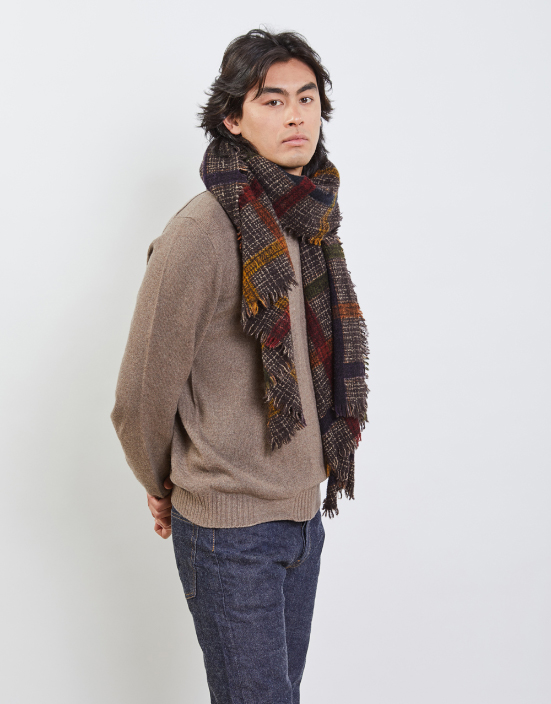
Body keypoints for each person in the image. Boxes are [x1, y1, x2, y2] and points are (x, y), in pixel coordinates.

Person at [110, 27, 369, 704]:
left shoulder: (310, 218)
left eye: (306, 98)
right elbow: (140, 392)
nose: (295, 116)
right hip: (229, 533)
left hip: (301, 520)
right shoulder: (202, 232)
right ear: (232, 118)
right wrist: (162, 483)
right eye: (272, 100)